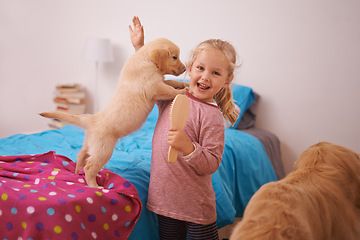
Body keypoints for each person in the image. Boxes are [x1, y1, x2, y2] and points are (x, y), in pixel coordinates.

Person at [129, 16, 239, 240]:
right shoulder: (171, 95)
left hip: (195, 206)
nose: (205, 76)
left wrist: (188, 147)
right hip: (163, 199)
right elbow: (148, 77)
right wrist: (139, 47)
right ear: (189, 68)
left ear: (227, 80)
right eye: (200, 68)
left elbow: (211, 163)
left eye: (216, 73)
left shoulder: (213, 116)